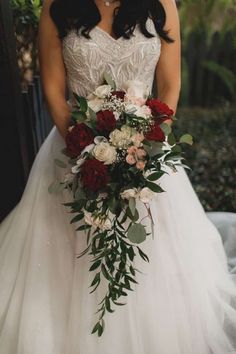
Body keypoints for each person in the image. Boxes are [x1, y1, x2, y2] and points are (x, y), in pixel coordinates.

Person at [0, 0, 236, 353]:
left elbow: (170, 87)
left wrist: (143, 145)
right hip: (73, 153)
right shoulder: (57, 7)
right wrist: (87, 150)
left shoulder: (162, 4)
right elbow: (53, 89)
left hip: (146, 155)